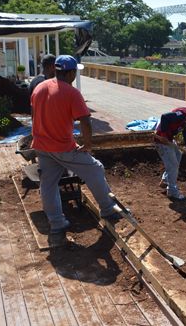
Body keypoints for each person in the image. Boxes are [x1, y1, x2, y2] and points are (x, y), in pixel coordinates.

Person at [31, 55, 121, 234]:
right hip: (63, 147)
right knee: (95, 169)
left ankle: (57, 223)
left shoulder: (40, 87)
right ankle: (108, 209)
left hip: (41, 146)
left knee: (48, 184)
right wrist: (88, 145)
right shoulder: (71, 93)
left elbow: (34, 114)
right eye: (75, 72)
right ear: (71, 72)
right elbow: (86, 121)